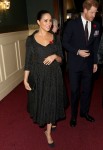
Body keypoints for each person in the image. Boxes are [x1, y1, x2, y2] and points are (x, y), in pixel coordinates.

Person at [24, 10, 66, 147]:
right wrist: (25, 79)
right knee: (42, 102)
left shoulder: (55, 37)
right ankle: (48, 123)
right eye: (45, 21)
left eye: (50, 20)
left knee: (50, 102)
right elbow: (28, 61)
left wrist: (54, 56)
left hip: (54, 75)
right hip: (38, 75)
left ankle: (48, 132)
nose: (49, 23)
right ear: (38, 22)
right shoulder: (30, 40)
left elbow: (61, 58)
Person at [62, 0, 100, 127]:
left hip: (89, 65)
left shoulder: (96, 25)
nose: (94, 15)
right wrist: (77, 51)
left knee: (87, 90)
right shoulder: (72, 24)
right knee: (74, 91)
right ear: (85, 10)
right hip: (74, 65)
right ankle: (73, 116)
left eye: (96, 12)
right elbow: (65, 42)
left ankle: (84, 112)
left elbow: (95, 45)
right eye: (92, 12)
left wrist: (95, 62)